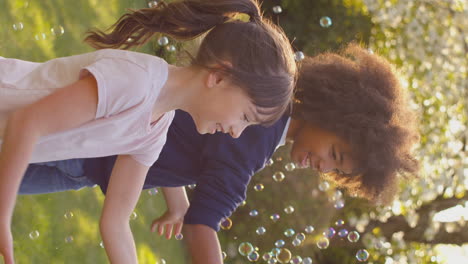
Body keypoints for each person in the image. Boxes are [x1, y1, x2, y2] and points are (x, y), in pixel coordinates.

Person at [18, 43, 419, 263]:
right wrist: (192, 216)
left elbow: (170, 133)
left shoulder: (261, 118)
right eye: (334, 151)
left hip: (97, 149)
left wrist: (177, 198)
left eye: (336, 168)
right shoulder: (260, 134)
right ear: (331, 112)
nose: (324, 166)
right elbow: (203, 223)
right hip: (86, 153)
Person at [0, 0, 297, 263]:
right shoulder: (138, 82)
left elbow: (115, 222)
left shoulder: (156, 129)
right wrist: (3, 213)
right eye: (245, 117)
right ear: (219, 77)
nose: (236, 133)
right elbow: (27, 122)